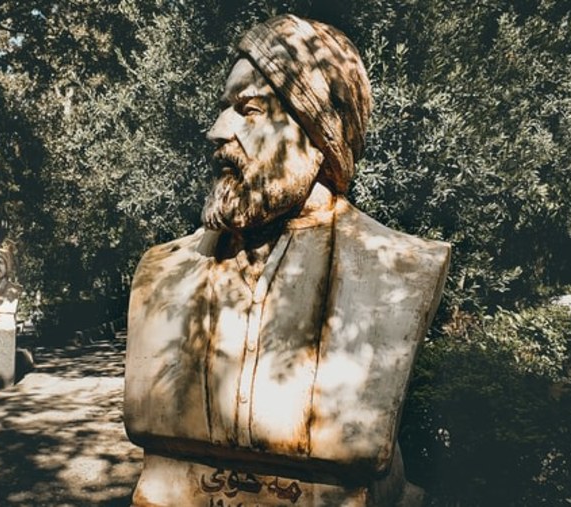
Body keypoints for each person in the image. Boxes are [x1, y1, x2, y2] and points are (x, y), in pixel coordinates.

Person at [124, 15, 451, 506]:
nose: (218, 131)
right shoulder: (162, 270)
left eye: (248, 109)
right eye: (223, 109)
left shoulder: (403, 268)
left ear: (320, 133)